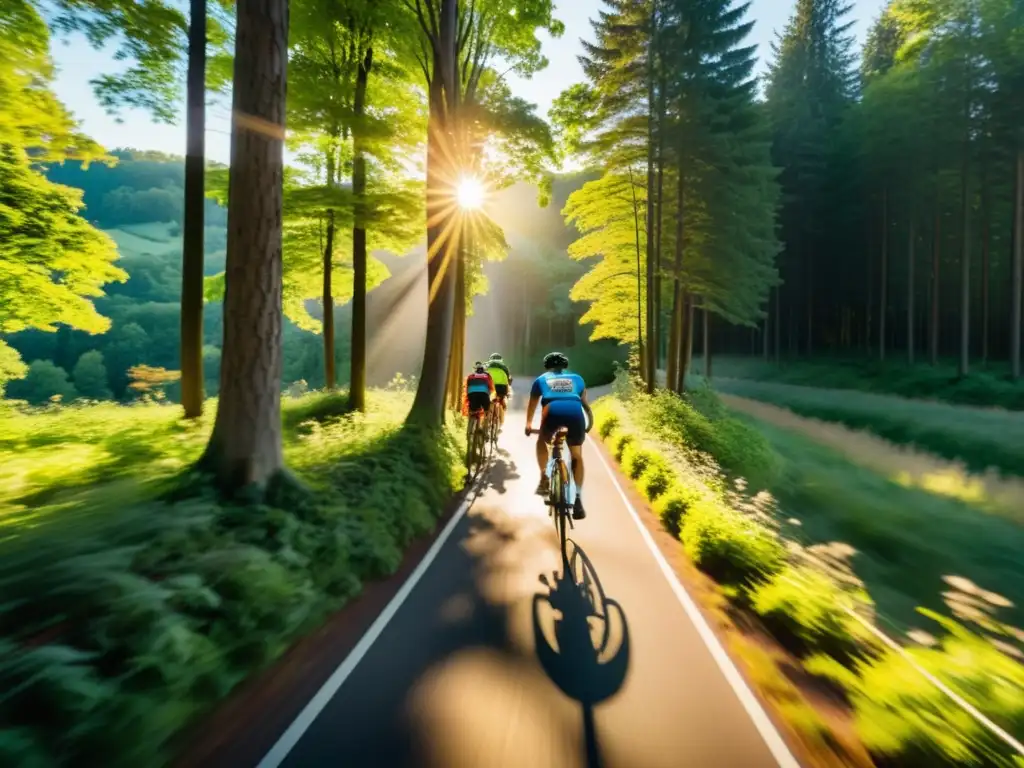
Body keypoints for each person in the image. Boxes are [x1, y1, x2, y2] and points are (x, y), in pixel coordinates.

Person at [524, 351, 593, 519]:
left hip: (552, 412)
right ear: (565, 365)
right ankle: (577, 500)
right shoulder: (578, 379)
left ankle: (544, 478)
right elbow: (585, 405)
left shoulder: (541, 380)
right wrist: (590, 423)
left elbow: (532, 405)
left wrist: (528, 424)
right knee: (576, 455)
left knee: (542, 440)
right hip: (575, 414)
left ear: (547, 366)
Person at [462, 361, 494, 426]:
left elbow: (466, 387)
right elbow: (491, 387)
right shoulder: (487, 376)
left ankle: (470, 425)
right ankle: (485, 426)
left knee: (472, 410)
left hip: (471, 394)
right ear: (483, 370)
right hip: (484, 394)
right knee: (486, 411)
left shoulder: (471, 376)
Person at [485, 353, 512, 427]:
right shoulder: (504, 367)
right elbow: (508, 380)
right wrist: (507, 393)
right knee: (502, 401)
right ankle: (500, 421)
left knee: (486, 401)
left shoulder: (487, 365)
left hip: (489, 387)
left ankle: (484, 420)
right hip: (501, 388)